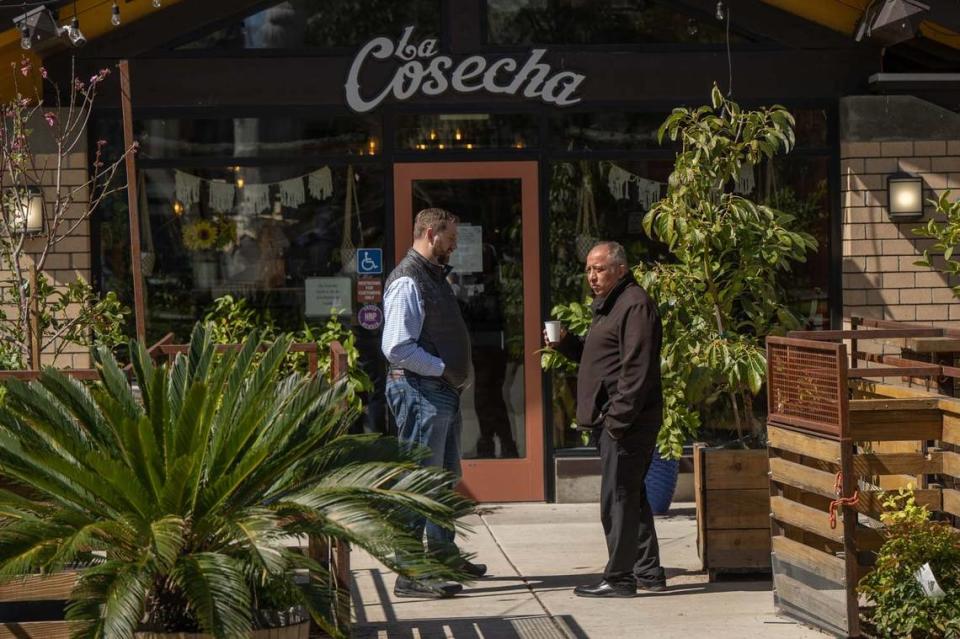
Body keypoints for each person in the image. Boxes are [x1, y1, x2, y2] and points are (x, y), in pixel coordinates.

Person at [547, 241, 667, 598]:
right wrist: (567, 344)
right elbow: (600, 357)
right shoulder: (610, 306)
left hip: (626, 423)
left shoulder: (635, 305)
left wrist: (616, 421)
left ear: (620, 268)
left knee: (617, 499)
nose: (592, 276)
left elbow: (637, 371)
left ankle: (619, 579)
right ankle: (648, 572)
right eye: (588, 269)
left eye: (599, 269)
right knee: (632, 496)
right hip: (615, 421)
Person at [382, 207, 487, 599]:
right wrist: (443, 368)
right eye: (450, 238)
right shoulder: (408, 281)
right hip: (420, 391)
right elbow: (396, 347)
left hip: (438, 392)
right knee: (419, 483)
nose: (455, 244)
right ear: (429, 233)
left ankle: (443, 555)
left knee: (442, 478)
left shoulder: (433, 276)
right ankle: (409, 570)